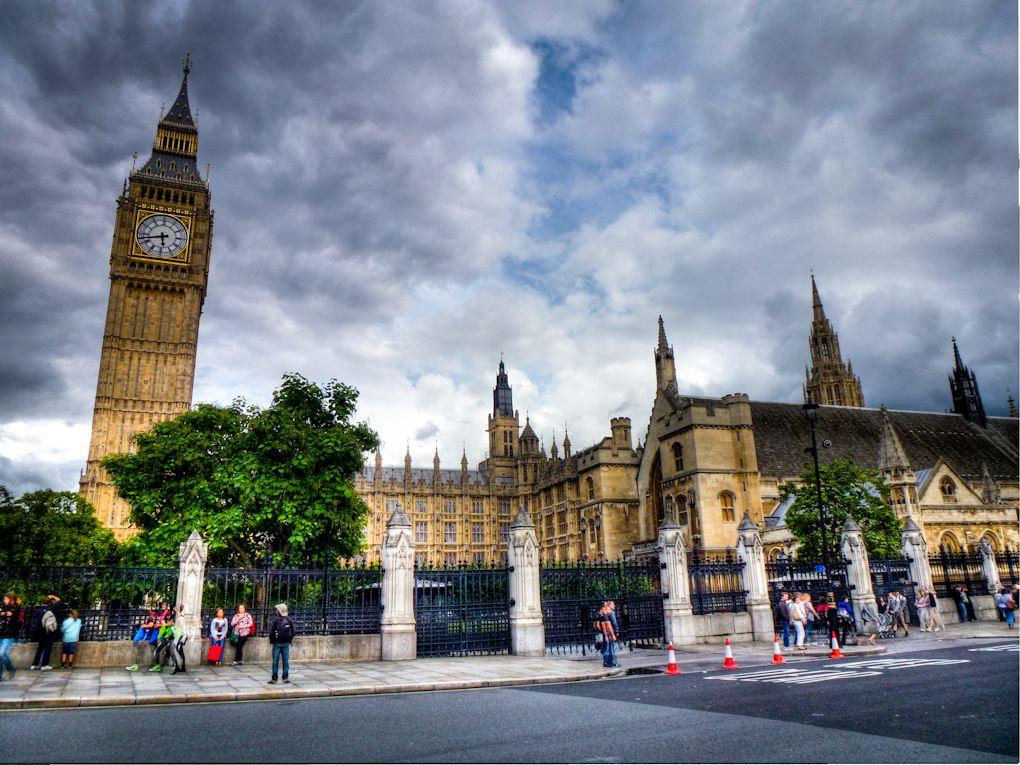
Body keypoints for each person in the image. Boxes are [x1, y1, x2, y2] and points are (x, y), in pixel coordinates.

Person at [30, 596, 61, 670]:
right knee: (48, 648)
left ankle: (34, 664)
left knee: (40, 648)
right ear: (49, 602)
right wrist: (52, 596)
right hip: (48, 632)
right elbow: (59, 601)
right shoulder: (51, 609)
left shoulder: (38, 610)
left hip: (39, 632)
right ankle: (44, 664)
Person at [267, 603, 295, 684]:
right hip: (286, 643)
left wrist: (272, 641)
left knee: (275, 661)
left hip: (277, 643)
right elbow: (293, 632)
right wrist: (289, 640)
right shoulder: (290, 620)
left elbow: (271, 633)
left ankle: (274, 679)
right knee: (285, 661)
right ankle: (285, 678)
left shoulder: (276, 620)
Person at [0, 592, 21, 681]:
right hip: (1, 632)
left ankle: (10, 668)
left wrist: (11, 615)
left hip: (8, 635)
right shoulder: (2, 607)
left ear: (11, 599)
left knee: (1, 654)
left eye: (6, 599)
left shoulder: (16, 609)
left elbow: (15, 620)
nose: (4, 600)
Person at [594, 604, 618, 668]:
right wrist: (610, 635)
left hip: (604, 634)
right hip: (607, 634)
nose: (607, 611)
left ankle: (607, 662)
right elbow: (608, 626)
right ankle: (608, 662)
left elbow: (596, 625)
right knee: (608, 648)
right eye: (605, 609)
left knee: (605, 648)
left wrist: (600, 631)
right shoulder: (604, 616)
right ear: (602, 609)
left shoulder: (598, 616)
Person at [167, 607, 188, 675]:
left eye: (176, 609)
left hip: (180, 636)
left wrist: (175, 635)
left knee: (175, 652)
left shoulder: (180, 618)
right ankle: (182, 667)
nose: (174, 610)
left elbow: (180, 628)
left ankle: (176, 668)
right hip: (181, 636)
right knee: (180, 652)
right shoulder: (180, 617)